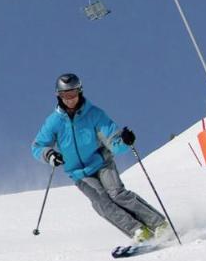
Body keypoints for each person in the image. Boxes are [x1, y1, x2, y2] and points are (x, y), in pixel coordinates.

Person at [31, 74, 168, 243]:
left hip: (102, 163)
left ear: (80, 92)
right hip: (79, 173)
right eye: (65, 95)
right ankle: (139, 231)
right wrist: (50, 155)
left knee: (117, 194)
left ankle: (159, 224)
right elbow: (37, 146)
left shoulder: (94, 114)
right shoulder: (54, 122)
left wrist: (124, 141)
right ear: (58, 95)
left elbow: (113, 140)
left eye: (73, 94)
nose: (70, 99)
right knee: (101, 202)